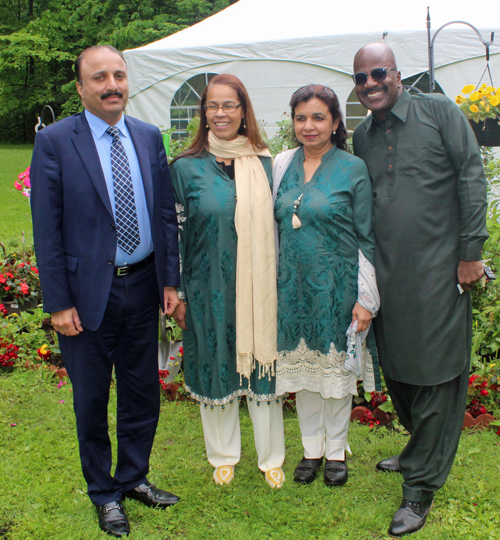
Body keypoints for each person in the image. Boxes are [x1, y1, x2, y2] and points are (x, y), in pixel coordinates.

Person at [30, 45, 181, 538]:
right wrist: (58, 303)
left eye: (118, 75)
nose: (112, 84)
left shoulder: (147, 136)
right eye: (100, 77)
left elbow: (163, 216)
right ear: (81, 87)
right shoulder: (55, 141)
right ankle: (104, 493)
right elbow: (47, 230)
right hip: (85, 295)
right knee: (91, 400)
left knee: (142, 393)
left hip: (142, 286)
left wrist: (169, 281)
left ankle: (133, 477)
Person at [352, 43, 488, 538]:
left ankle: (420, 487)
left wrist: (471, 252)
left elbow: (472, 175)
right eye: (362, 77)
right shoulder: (363, 135)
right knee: (399, 371)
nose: (370, 83)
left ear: (398, 74)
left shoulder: (438, 112)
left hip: (439, 271)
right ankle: (419, 448)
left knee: (435, 374)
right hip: (387, 276)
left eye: (379, 73)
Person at [170, 74, 286, 489]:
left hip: (260, 289)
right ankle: (222, 454)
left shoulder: (267, 163)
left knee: (263, 365)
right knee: (214, 363)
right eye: (213, 106)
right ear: (204, 113)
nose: (220, 113)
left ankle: (271, 456)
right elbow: (176, 236)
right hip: (208, 287)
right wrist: (178, 292)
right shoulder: (185, 168)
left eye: (229, 105)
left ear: (243, 111)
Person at [273, 84, 380, 488]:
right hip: (292, 290)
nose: (309, 126)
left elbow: (367, 236)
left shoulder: (352, 168)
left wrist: (366, 298)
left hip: (338, 289)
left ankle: (335, 451)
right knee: (303, 375)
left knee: (335, 375)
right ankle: (310, 450)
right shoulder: (282, 166)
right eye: (301, 117)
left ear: (336, 122)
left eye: (319, 117)